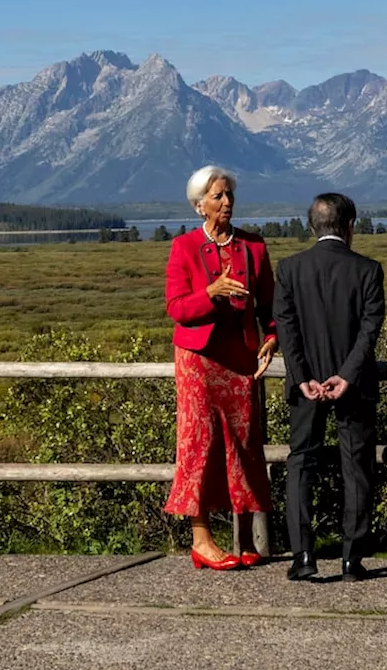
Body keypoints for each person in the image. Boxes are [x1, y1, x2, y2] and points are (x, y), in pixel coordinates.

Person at [164, 166, 277, 571]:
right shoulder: (184, 248)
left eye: (228, 195)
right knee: (200, 441)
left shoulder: (254, 247)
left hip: (240, 360)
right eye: (217, 197)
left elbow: (271, 309)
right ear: (199, 206)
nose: (226, 202)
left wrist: (271, 338)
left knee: (244, 443)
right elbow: (176, 308)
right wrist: (211, 293)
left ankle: (244, 538)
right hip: (198, 361)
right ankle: (202, 539)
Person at [274, 193, 385, 583]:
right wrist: (348, 374)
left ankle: (303, 554)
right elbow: (370, 330)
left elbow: (286, 329)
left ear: (312, 227)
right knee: (356, 468)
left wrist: (302, 376)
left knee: (301, 462)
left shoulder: (289, 269)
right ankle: (352, 559)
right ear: (350, 225)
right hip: (352, 387)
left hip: (305, 386)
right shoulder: (369, 270)